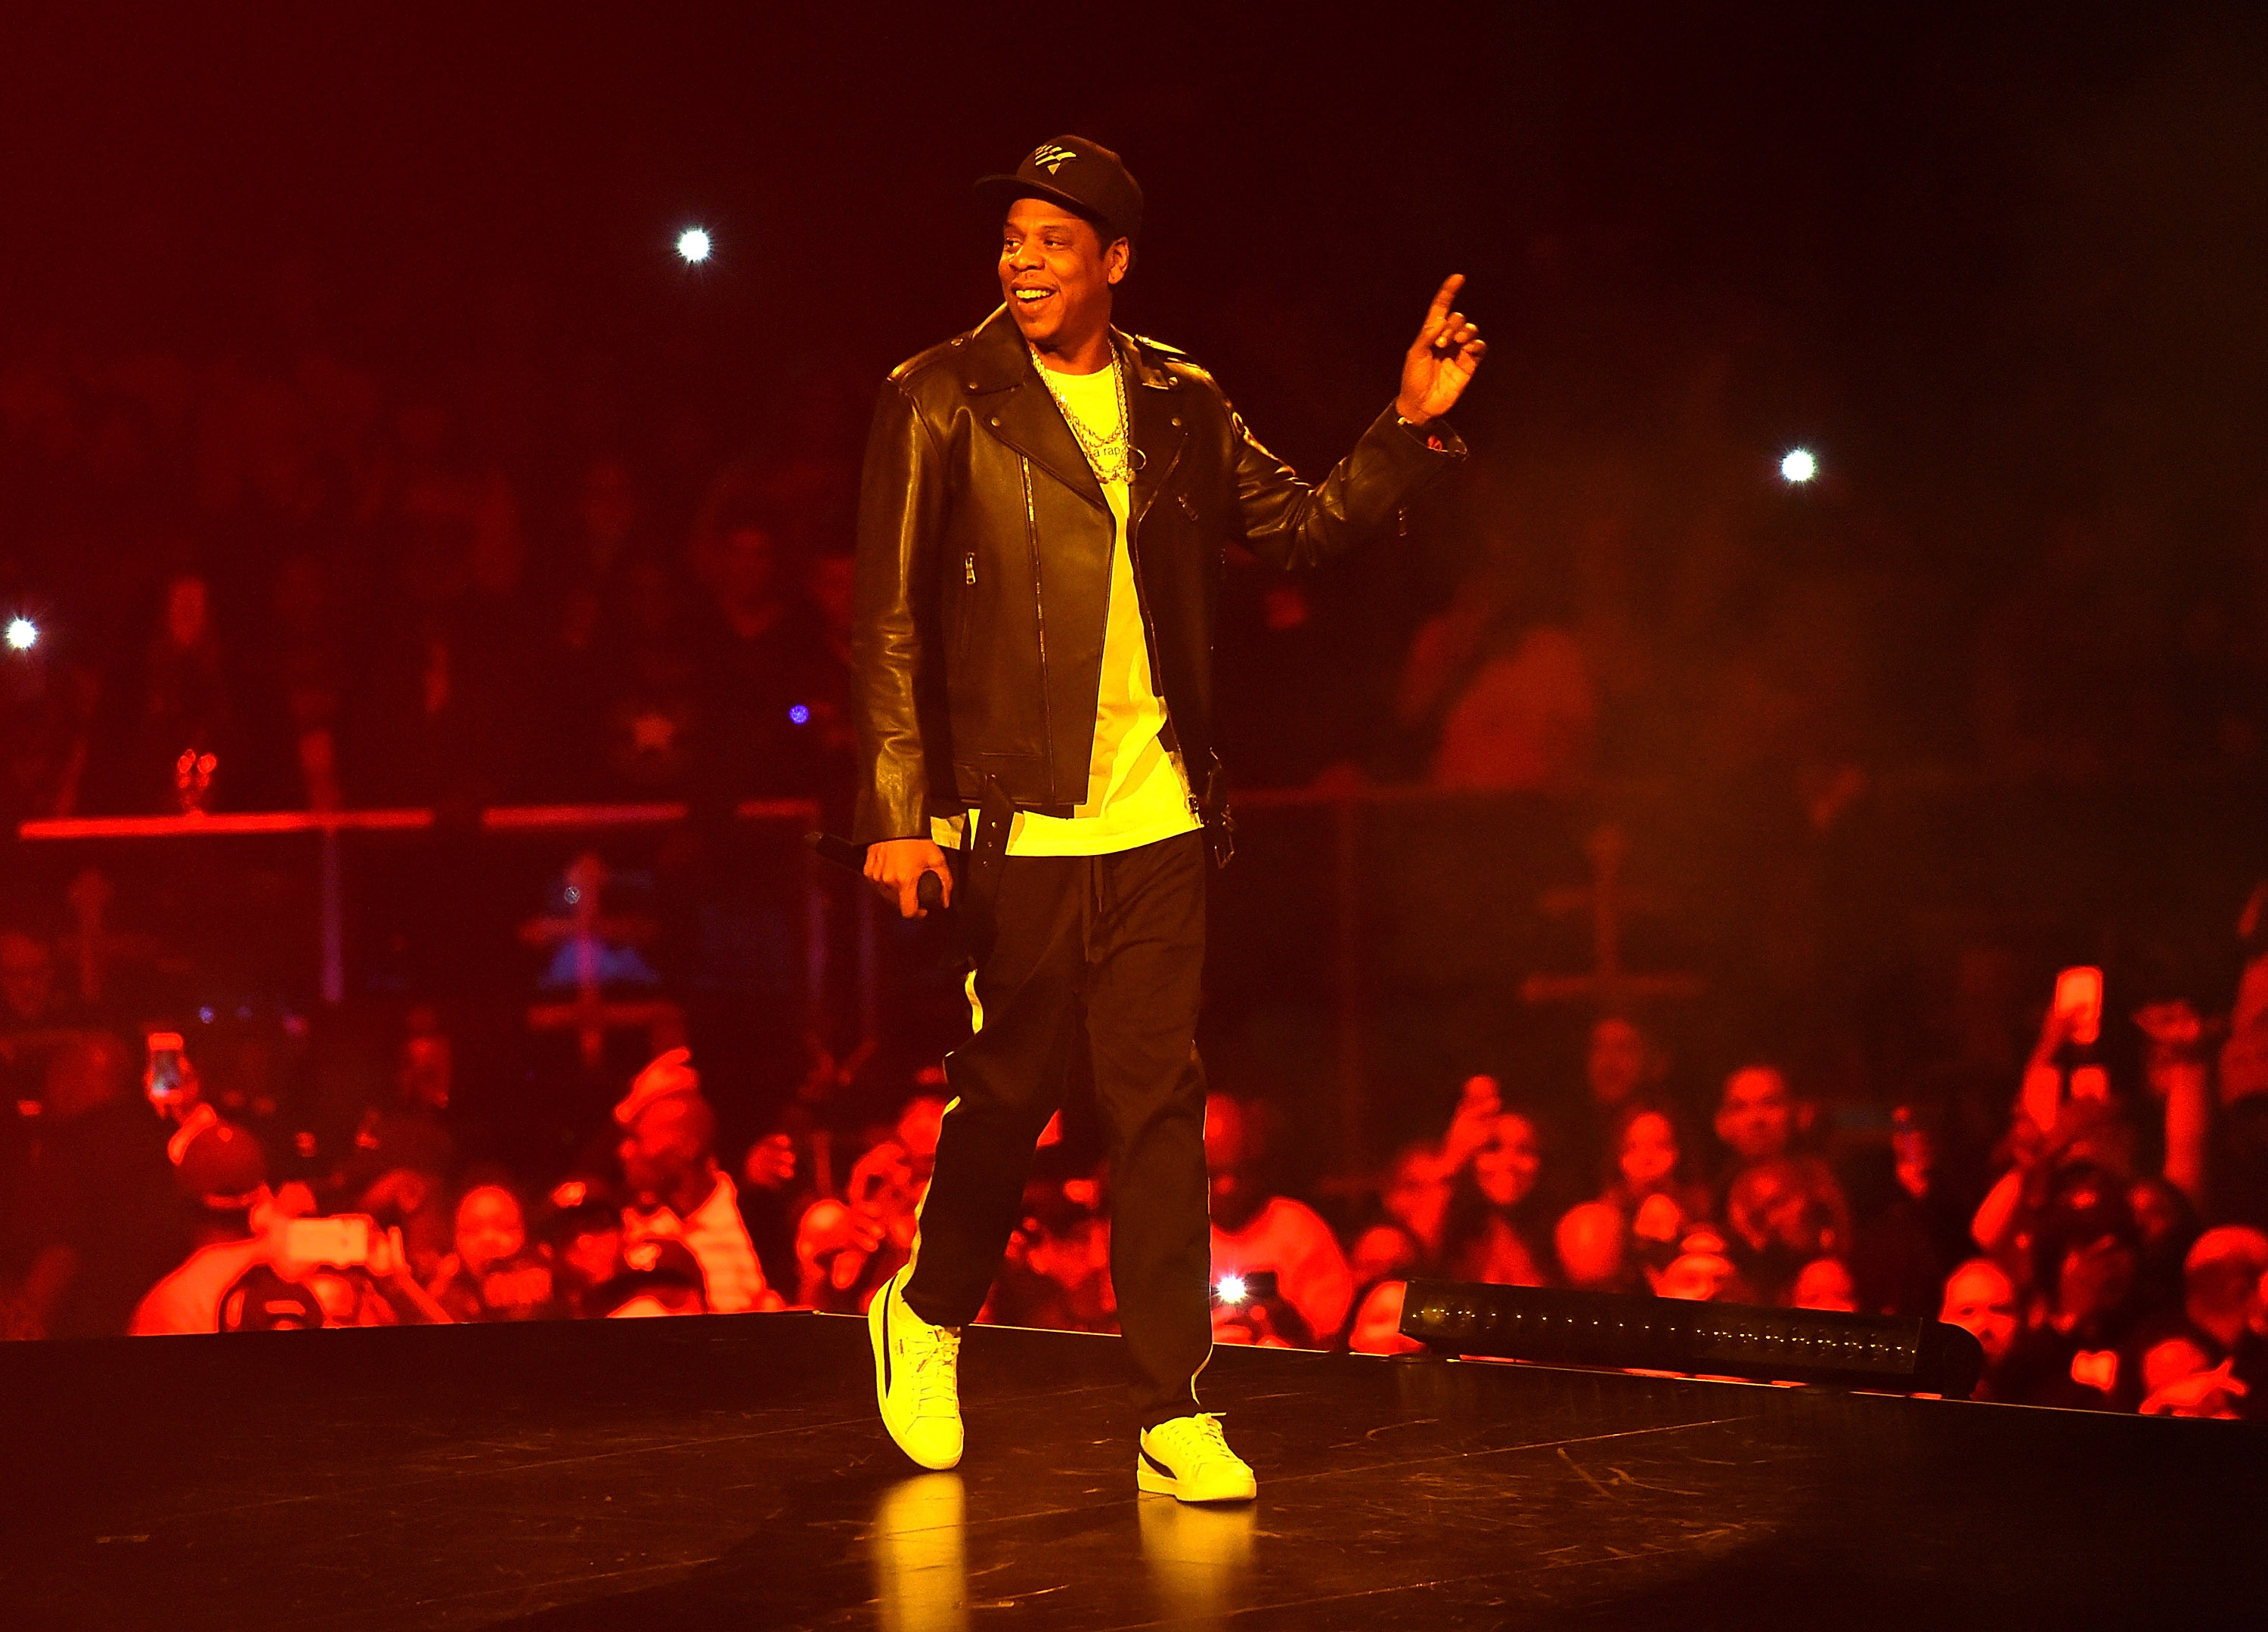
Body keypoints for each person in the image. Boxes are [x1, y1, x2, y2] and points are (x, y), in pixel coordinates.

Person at [850, 135, 1482, 1501]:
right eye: (1012, 239)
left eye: (1053, 241)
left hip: (1159, 815)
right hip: (1015, 817)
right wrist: (898, 809)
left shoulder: (1181, 398)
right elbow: (889, 616)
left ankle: (1173, 1404)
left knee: (1159, 1108)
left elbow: (1301, 529)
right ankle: (928, 1309)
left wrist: (1407, 423)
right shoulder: (939, 394)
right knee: (1007, 1097)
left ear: (1115, 262)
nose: (1022, 262)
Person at [615, 1048, 782, 1315]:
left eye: (639, 1140)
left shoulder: (751, 1218)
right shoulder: (631, 1224)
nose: (625, 1152)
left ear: (688, 1148)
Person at [1204, 1096, 1356, 1347]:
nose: (1227, 1187)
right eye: (1213, 1174)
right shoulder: (1172, 1232)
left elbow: (1335, 1335)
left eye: (1238, 1171)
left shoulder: (1299, 1229)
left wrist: (1290, 1330)